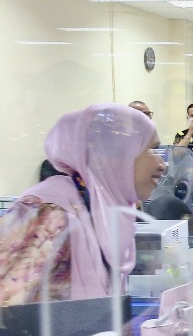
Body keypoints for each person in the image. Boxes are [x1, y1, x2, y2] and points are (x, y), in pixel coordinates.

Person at [0, 104, 164, 304]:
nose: (161, 165)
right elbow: (8, 311)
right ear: (119, 155)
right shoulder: (50, 214)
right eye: (152, 150)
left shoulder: (108, 209)